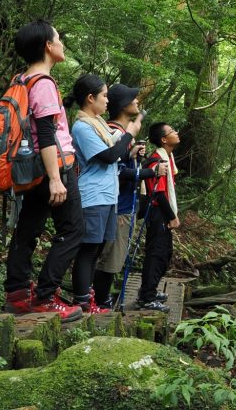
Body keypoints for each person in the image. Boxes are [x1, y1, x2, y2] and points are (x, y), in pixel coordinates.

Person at [3, 20, 84, 321]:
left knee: (28, 228)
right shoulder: (45, 83)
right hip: (54, 167)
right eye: (59, 39)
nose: (62, 44)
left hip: (28, 167)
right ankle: (44, 298)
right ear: (48, 47)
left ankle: (17, 294)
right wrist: (55, 180)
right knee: (73, 230)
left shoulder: (21, 79)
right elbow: (47, 135)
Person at [67, 73, 141, 314]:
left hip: (108, 196)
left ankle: (89, 300)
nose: (108, 101)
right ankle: (81, 301)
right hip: (93, 195)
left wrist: (130, 150)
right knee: (88, 250)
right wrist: (130, 133)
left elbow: (115, 153)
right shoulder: (82, 126)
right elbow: (109, 156)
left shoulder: (97, 123)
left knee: (97, 250)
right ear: (90, 98)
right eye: (104, 96)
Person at [92, 84, 167, 309]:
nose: (137, 102)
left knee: (114, 254)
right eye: (134, 99)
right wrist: (149, 172)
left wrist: (133, 156)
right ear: (124, 106)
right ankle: (101, 301)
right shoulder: (116, 133)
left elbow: (121, 165)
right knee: (111, 256)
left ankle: (102, 297)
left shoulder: (121, 135)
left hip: (123, 204)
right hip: (119, 205)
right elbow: (118, 172)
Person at [135, 121, 181, 311]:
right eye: (172, 131)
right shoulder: (157, 160)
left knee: (164, 253)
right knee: (157, 254)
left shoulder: (168, 157)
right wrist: (172, 216)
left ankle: (149, 290)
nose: (176, 133)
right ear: (164, 140)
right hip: (157, 212)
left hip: (161, 211)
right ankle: (147, 297)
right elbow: (158, 193)